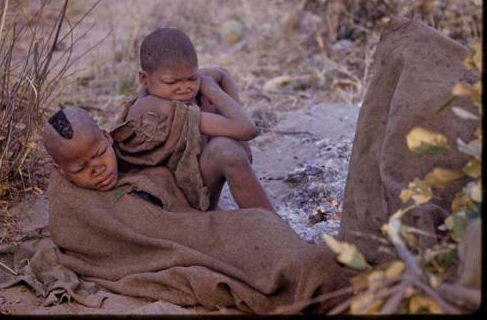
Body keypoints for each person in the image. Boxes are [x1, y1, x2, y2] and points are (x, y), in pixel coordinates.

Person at [38, 107, 353, 314]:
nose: (97, 169)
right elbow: (97, 244)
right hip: (185, 244)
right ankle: (325, 280)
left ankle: (327, 275)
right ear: (59, 169)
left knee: (259, 227)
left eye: (99, 154)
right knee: (282, 262)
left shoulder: (136, 150)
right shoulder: (71, 206)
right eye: (81, 167)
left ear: (108, 138)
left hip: (205, 227)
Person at [115, 27, 273, 212]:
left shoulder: (174, 82)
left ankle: (272, 227)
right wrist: (209, 87)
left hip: (191, 185)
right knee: (225, 150)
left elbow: (222, 73)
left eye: (192, 78)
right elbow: (246, 128)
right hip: (166, 203)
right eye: (171, 82)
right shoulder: (152, 105)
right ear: (144, 78)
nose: (184, 88)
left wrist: (206, 82)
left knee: (222, 136)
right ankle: (272, 226)